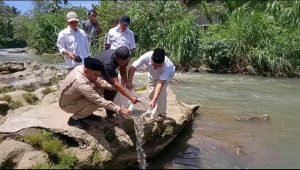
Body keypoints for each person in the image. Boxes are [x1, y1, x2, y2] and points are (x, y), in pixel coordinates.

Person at [59, 57, 132, 130]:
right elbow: (98, 100)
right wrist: (120, 109)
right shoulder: (80, 82)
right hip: (67, 105)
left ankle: (87, 115)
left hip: (75, 98)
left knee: (99, 89)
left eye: (98, 74)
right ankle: (74, 119)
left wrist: (114, 88)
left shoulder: (83, 68)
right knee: (96, 103)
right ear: (86, 71)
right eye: (96, 74)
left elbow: (99, 81)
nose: (97, 76)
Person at [127, 48, 176, 122]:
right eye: (154, 65)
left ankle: (162, 114)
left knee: (161, 93)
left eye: (158, 66)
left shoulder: (168, 66)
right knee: (151, 93)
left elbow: (160, 83)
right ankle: (153, 109)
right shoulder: (146, 56)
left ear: (163, 63)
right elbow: (132, 68)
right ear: (151, 59)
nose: (156, 67)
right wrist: (129, 82)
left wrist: (154, 99)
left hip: (166, 76)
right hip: (152, 75)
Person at [94, 46, 140, 120]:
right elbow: (115, 83)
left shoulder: (125, 56)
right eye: (121, 62)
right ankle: (110, 115)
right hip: (96, 70)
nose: (124, 63)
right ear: (116, 58)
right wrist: (130, 97)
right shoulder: (109, 64)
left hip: (106, 66)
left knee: (117, 88)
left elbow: (122, 68)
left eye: (126, 61)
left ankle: (112, 110)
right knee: (110, 89)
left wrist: (126, 83)